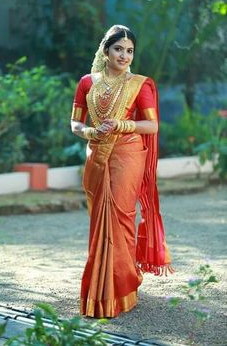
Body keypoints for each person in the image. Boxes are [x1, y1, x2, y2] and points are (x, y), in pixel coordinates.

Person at [71, 24, 174, 319]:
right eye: (119, 49)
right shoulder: (87, 83)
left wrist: (121, 125)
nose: (124, 55)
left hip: (128, 154)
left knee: (121, 219)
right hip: (97, 155)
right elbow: (75, 123)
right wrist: (90, 131)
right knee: (98, 222)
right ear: (106, 51)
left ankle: (123, 287)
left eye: (130, 51)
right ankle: (99, 291)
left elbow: (151, 126)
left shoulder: (140, 84)